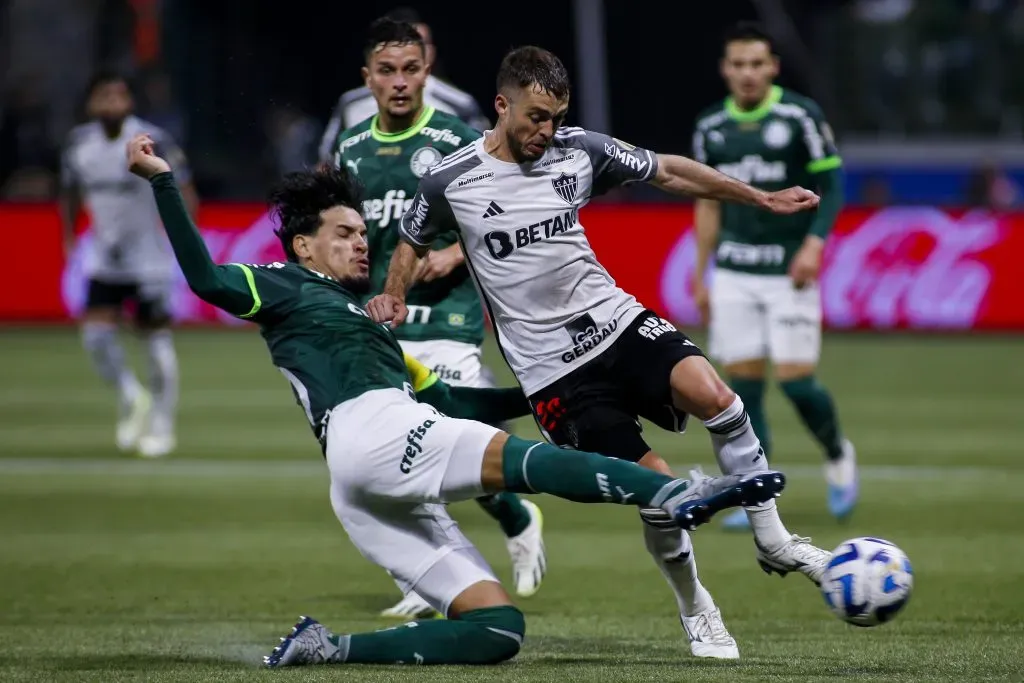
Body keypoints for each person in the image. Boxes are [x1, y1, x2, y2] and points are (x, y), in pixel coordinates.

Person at [124, 133, 787, 668]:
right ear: (304, 245)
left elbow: (450, 400)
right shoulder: (287, 287)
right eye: (345, 232)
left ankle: (328, 648)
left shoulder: (363, 321)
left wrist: (536, 390)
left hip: (362, 484)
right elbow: (205, 276)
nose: (362, 241)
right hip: (376, 432)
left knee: (496, 629)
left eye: (363, 231)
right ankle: (671, 494)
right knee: (524, 465)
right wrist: (160, 179)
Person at [368, 45, 836, 656]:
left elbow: (667, 170)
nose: (547, 131)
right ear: (502, 105)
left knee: (717, 397)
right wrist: (394, 293)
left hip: (616, 322)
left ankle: (774, 540)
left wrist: (761, 198)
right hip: (554, 375)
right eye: (535, 116)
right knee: (660, 491)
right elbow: (410, 235)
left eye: (556, 117)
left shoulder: (578, 150)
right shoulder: (452, 179)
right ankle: (697, 606)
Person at [328, 17, 546, 620]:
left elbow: (508, 215)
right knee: (408, 453)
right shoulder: (349, 149)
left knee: (435, 437)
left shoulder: (458, 138)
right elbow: (347, 233)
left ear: (428, 70)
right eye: (387, 71)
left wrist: (451, 252)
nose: (400, 82)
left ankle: (491, 535)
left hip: (448, 314)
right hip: (384, 321)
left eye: (411, 69)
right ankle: (466, 552)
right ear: (367, 78)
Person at [690, 22, 857, 529]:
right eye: (737, 64)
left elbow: (831, 184)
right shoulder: (710, 127)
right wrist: (701, 273)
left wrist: (813, 245)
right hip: (736, 272)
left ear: (773, 67)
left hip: (790, 273)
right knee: (744, 388)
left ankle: (836, 451)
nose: (747, 74)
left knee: (796, 383)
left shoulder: (798, 116)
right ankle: (755, 491)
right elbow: (708, 203)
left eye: (756, 64)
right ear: (725, 69)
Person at [60, 70, 198, 458]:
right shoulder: (78, 145)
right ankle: (130, 395)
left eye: (119, 96)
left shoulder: (152, 140)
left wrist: (187, 241)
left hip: (149, 260)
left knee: (154, 341)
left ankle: (162, 424)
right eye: (104, 97)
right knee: (95, 337)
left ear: (130, 102)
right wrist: (69, 238)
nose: (112, 104)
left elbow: (185, 189)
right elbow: (69, 195)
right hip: (104, 256)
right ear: (91, 104)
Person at [317, 6, 489, 163]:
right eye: (387, 70)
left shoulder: (460, 104)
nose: (399, 83)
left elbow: (485, 165)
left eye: (421, 42)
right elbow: (327, 163)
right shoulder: (351, 105)